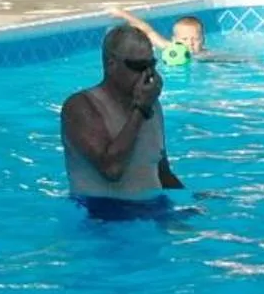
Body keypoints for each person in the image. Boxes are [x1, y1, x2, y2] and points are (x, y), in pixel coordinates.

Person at [61, 24, 185, 218]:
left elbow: (162, 173)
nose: (148, 75)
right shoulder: (80, 106)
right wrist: (140, 109)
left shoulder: (152, 105)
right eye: (139, 67)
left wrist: (192, 200)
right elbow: (112, 169)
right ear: (111, 64)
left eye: (151, 65)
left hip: (152, 210)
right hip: (102, 217)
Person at [105, 5, 217, 64]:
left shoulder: (207, 55)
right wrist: (123, 15)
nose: (190, 43)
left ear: (203, 40)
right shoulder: (170, 47)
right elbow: (149, 31)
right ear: (174, 40)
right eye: (184, 39)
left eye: (195, 39)